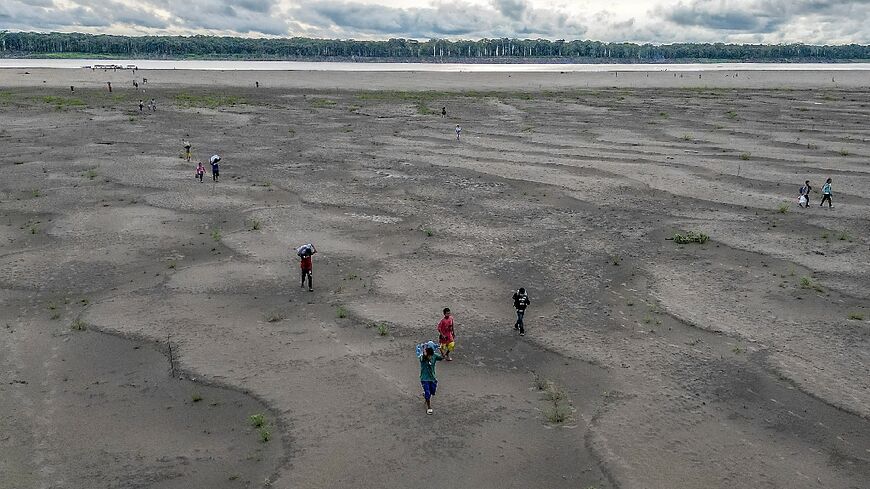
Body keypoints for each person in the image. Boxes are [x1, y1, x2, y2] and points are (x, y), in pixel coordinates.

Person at [419, 345, 443, 415]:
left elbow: (442, 357)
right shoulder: (422, 358)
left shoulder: (434, 356)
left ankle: (426, 395)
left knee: (432, 391)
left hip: (432, 378)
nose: (429, 357)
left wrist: (441, 349)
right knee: (428, 393)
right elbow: (422, 357)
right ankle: (429, 407)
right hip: (424, 378)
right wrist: (424, 353)